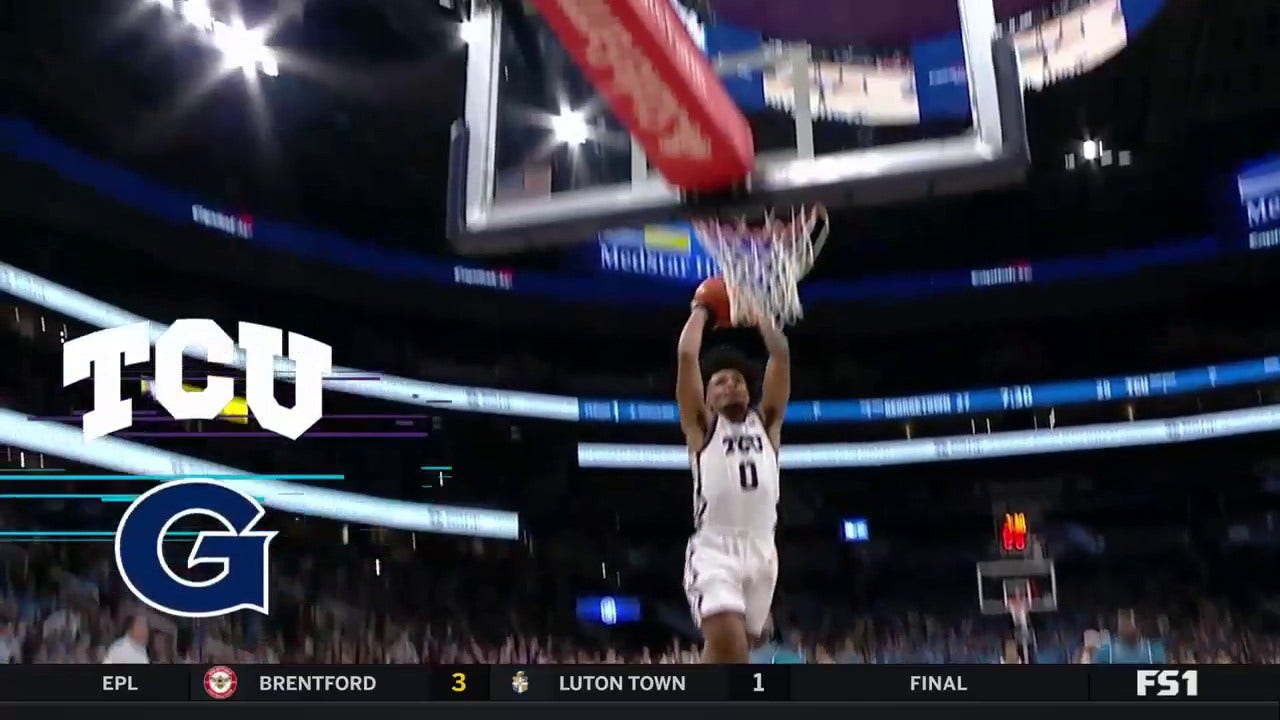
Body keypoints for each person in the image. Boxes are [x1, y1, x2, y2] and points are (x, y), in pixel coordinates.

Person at [676, 298, 790, 663]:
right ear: (707, 398)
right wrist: (702, 310)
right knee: (729, 642)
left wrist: (760, 314)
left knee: (732, 654)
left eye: (737, 380)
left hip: (762, 551)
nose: (729, 385)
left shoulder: (767, 423)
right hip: (715, 548)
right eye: (719, 382)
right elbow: (686, 357)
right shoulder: (703, 427)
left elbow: (781, 356)